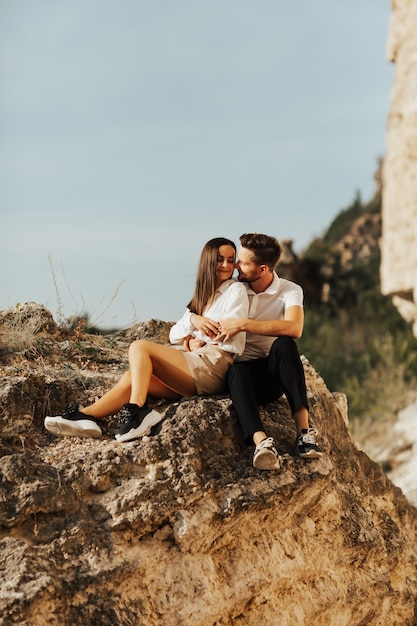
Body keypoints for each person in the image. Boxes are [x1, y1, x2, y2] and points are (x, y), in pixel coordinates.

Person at [44, 237, 249, 443]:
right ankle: (87, 416)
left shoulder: (236, 290)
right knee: (133, 376)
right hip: (194, 366)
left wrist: (196, 333)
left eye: (231, 260)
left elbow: (231, 339)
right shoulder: (204, 295)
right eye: (220, 259)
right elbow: (174, 334)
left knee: (140, 347)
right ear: (208, 260)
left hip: (212, 367)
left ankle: (139, 411)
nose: (226, 265)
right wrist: (194, 322)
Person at [216, 233, 323, 470]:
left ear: (262, 269)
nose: (235, 266)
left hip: (272, 374)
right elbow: (198, 310)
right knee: (237, 372)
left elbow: (294, 328)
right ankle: (262, 444)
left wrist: (243, 324)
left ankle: (304, 435)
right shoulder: (232, 288)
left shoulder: (289, 290)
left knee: (285, 344)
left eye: (243, 262)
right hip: (241, 377)